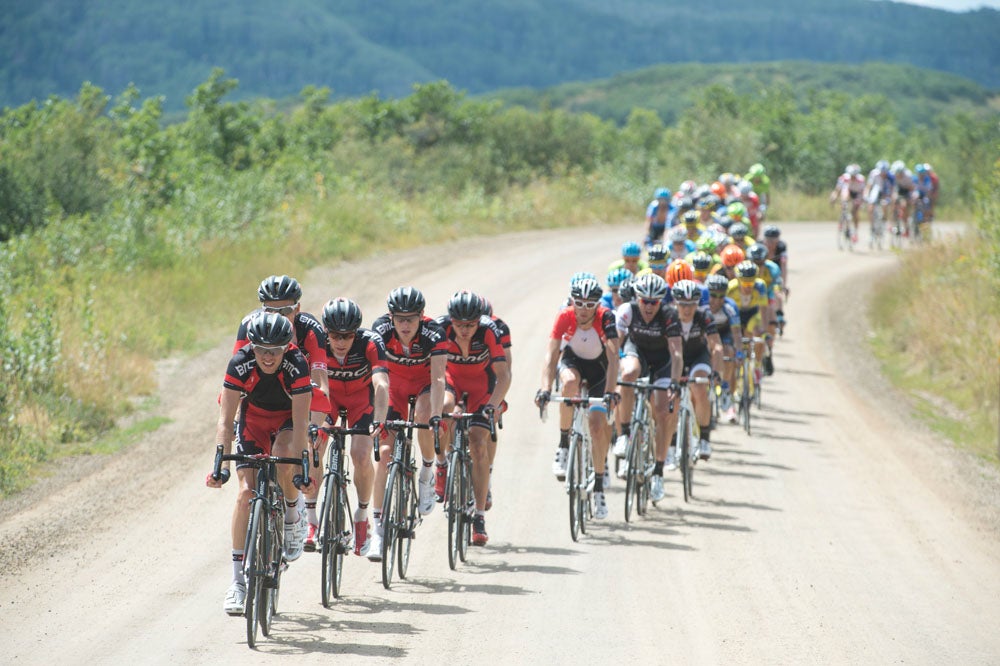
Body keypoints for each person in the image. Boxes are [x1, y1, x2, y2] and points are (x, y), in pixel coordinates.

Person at [207, 312, 312, 616]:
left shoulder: (297, 365)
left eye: (276, 350)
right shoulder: (240, 363)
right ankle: (237, 582)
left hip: (286, 421)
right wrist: (220, 466)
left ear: (286, 348)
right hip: (252, 421)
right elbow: (226, 421)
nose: (268, 357)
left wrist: (302, 466)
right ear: (251, 347)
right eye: (262, 350)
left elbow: (302, 422)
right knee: (245, 494)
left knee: (283, 455)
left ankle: (292, 515)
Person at [233, 275, 330, 547]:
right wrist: (234, 421)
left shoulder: (311, 329)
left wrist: (316, 426)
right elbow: (237, 377)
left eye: (285, 310)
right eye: (271, 310)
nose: (279, 316)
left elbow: (321, 382)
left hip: (298, 400)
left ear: (297, 309)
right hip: (260, 404)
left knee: (297, 452)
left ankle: (298, 513)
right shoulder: (250, 326)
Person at [369, 287, 448, 561]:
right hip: (394, 389)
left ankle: (428, 472)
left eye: (411, 319)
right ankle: (378, 532)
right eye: (399, 319)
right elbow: (375, 375)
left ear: (421, 317)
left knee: (425, 415)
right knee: (385, 457)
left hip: (424, 386)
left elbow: (439, 379)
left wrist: (437, 414)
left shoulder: (434, 333)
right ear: (390, 317)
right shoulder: (380, 330)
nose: (404, 325)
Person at [310, 298, 389, 556]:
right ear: (326, 332)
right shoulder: (317, 343)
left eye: (347, 335)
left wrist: (379, 418)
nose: (341, 341)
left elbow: (381, 385)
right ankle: (311, 516)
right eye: (335, 335)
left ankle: (362, 515)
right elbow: (310, 386)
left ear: (356, 332)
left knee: (361, 455)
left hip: (360, 403)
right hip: (328, 400)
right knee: (314, 445)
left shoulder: (370, 342)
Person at [536, 278, 620, 519]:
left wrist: (611, 392)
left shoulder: (606, 318)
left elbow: (614, 359)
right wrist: (544, 388)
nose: (584, 309)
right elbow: (551, 356)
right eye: (579, 303)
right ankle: (563, 444)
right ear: (572, 301)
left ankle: (600, 487)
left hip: (599, 370)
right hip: (572, 363)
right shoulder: (565, 316)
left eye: (590, 304)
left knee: (596, 427)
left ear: (597, 304)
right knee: (569, 384)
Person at [437, 291, 511, 545]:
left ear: (478, 321)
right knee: (444, 408)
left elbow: (504, 374)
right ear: (451, 319)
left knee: (479, 444)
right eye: (459, 324)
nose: (464, 329)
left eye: (470, 325)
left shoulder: (489, 331)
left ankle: (479, 516)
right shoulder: (441, 328)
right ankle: (442, 463)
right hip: (453, 383)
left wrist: (493, 405)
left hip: (482, 387)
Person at [615, 273, 683, 502]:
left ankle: (658, 472)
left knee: (663, 412)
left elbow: (676, 353)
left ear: (661, 301)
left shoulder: (669, 315)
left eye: (655, 302)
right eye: (645, 301)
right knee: (628, 373)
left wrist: (674, 381)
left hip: (662, 363)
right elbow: (614, 345)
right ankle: (624, 433)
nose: (649, 306)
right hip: (638, 354)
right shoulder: (627, 310)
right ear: (638, 298)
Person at [670, 279, 723, 459]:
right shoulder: (668, 316)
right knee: (671, 394)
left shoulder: (704, 315)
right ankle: (671, 441)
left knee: (700, 388)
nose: (687, 309)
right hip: (673, 358)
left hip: (697, 357)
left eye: (692, 304)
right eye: (683, 304)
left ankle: (705, 438)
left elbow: (716, 346)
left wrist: (716, 372)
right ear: (675, 303)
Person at [705, 273, 742, 423]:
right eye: (713, 295)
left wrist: (739, 352)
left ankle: (725, 390)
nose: (717, 300)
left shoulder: (730, 306)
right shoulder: (702, 305)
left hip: (724, 334)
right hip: (706, 334)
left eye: (721, 296)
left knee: (729, 353)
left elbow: (737, 333)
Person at [727, 261, 769, 386]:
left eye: (751, 282)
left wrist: (764, 330)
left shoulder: (760, 286)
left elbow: (764, 310)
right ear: (738, 280)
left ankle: (756, 365)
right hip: (736, 314)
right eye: (745, 282)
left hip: (752, 314)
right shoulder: (731, 287)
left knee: (757, 333)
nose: (748, 287)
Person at [829, 164, 865, 242]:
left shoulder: (861, 180)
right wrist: (833, 198)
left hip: (856, 193)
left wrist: (860, 202)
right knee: (844, 198)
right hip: (848, 192)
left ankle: (855, 232)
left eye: (854, 176)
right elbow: (837, 190)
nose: (853, 178)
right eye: (851, 176)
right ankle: (843, 216)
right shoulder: (844, 178)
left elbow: (862, 193)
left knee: (855, 212)